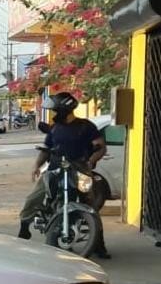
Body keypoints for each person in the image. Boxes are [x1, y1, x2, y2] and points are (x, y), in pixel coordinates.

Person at [18, 91, 109, 258]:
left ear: (65, 110)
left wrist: (91, 161)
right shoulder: (55, 129)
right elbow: (46, 150)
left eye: (56, 111)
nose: (54, 114)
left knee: (91, 204)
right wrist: (37, 166)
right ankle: (24, 227)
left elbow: (100, 146)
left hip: (79, 169)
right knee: (33, 198)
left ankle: (99, 244)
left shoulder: (86, 126)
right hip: (55, 169)